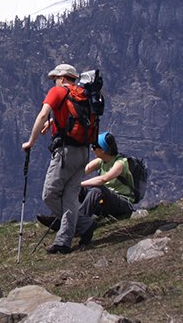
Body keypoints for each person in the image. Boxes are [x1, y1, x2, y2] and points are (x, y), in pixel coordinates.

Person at [22, 63, 95, 254]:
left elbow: (42, 114)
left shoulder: (57, 92)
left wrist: (30, 142)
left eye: (55, 78)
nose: (54, 82)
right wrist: (55, 121)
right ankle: (64, 242)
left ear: (62, 78)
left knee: (50, 193)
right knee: (70, 196)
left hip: (66, 153)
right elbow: (78, 117)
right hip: (83, 151)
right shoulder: (82, 94)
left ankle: (84, 223)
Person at [79, 132, 134, 223]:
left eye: (94, 147)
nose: (92, 150)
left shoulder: (120, 163)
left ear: (103, 150)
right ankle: (66, 219)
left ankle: (79, 222)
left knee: (98, 189)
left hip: (123, 204)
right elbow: (84, 170)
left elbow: (104, 179)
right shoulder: (101, 161)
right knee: (76, 190)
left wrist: (80, 184)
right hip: (106, 204)